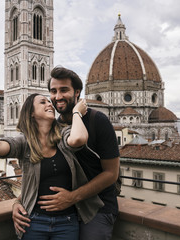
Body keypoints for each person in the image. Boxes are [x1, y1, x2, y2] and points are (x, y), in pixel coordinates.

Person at [0, 93, 103, 240]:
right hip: (33, 221)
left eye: (49, 102)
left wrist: (76, 112)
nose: (50, 104)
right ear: (32, 113)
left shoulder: (64, 134)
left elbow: (79, 138)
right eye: (43, 102)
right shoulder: (24, 142)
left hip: (67, 222)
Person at [12, 67, 120, 240]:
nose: (58, 97)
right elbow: (42, 174)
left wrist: (72, 197)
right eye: (53, 91)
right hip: (66, 211)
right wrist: (18, 202)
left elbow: (111, 174)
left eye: (64, 90)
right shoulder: (53, 127)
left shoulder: (97, 121)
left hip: (97, 207)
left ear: (77, 92)